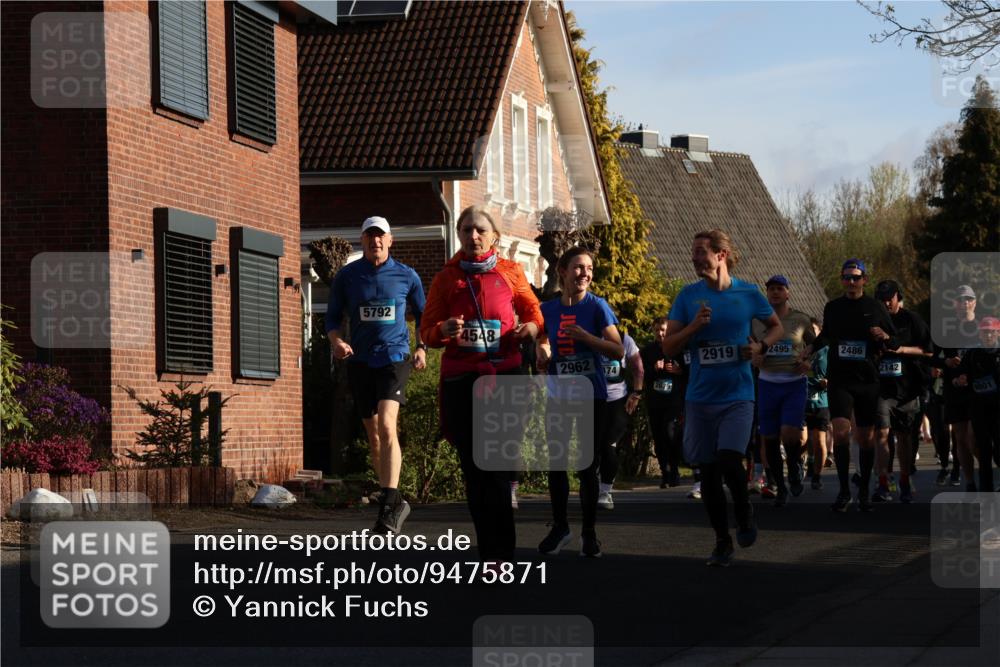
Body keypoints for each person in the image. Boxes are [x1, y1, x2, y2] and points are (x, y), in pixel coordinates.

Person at [420, 205, 542, 564]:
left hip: (504, 375)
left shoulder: (511, 271)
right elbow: (427, 330)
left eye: (480, 230)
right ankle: (487, 551)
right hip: (462, 379)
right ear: (459, 235)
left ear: (494, 237)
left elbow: (534, 312)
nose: (473, 236)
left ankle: (502, 554)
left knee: (499, 470)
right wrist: (441, 331)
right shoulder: (447, 278)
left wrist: (531, 329)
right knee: (474, 471)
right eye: (466, 230)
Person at [662, 229, 783, 567]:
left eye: (700, 251)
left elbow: (776, 327)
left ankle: (744, 514)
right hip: (700, 399)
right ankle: (721, 540)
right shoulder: (688, 297)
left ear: (721, 255)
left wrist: (760, 346)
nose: (694, 258)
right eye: (693, 252)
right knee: (709, 471)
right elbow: (668, 346)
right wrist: (693, 329)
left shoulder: (748, 293)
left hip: (738, 394)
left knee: (730, 460)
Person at [326, 216, 427, 534]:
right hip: (360, 362)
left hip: (394, 359)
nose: (375, 242)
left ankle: (389, 500)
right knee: (374, 436)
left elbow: (424, 315)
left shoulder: (407, 276)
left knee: (387, 425)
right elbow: (331, 318)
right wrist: (338, 341)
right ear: (363, 242)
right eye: (370, 237)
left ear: (390, 240)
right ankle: (393, 502)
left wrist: (421, 347)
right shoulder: (348, 276)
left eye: (380, 236)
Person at [536, 246, 623, 558]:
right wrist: (541, 350)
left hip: (591, 396)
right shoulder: (548, 310)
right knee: (556, 463)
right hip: (559, 394)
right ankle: (561, 527)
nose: (584, 273)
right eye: (578, 267)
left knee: (586, 466)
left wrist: (588, 338)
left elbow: (617, 350)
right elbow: (540, 338)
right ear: (563, 271)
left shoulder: (597, 307)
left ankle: (589, 532)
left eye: (588, 268)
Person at [811, 259, 899, 513]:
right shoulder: (833, 307)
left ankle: (863, 492)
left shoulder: (875, 307)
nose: (851, 282)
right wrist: (809, 348)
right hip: (840, 378)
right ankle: (843, 491)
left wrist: (884, 337)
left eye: (856, 278)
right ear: (842, 280)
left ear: (864, 280)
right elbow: (825, 335)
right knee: (839, 433)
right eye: (847, 278)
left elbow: (894, 340)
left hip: (867, 380)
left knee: (866, 438)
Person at [751, 275, 815, 507]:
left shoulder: (800, 319)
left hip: (793, 382)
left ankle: (796, 463)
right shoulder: (758, 321)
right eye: (771, 289)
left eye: (780, 289)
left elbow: (815, 344)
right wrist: (754, 358)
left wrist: (809, 362)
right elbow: (750, 346)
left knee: (789, 432)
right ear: (766, 293)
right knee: (769, 438)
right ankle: (780, 486)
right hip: (767, 383)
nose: (775, 293)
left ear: (788, 293)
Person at [872, 280, 932, 503]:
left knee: (904, 437)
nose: (886, 302)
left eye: (890, 297)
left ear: (898, 297)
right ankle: (883, 482)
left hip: (908, 388)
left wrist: (900, 349)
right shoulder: (874, 322)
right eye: (882, 298)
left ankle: (905, 479)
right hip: (883, 389)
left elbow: (928, 352)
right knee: (882, 434)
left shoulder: (912, 320)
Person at [929, 285, 981, 491]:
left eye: (968, 299)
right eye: (960, 300)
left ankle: (986, 468)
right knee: (960, 438)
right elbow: (931, 357)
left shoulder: (981, 327)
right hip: (954, 390)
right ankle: (969, 482)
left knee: (974, 437)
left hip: (978, 391)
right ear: (955, 304)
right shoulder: (946, 330)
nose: (964, 303)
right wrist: (946, 363)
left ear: (975, 302)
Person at [641, 317, 688, 489]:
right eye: (657, 330)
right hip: (655, 401)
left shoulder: (679, 349)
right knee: (659, 437)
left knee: (671, 433)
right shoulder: (647, 351)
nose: (660, 334)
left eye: (664, 330)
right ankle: (665, 472)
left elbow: (690, 373)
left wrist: (679, 370)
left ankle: (674, 468)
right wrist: (654, 369)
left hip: (674, 401)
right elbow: (641, 376)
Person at [598, 332, 644, 509]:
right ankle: (594, 484)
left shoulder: (624, 339)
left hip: (617, 399)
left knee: (609, 444)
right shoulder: (588, 335)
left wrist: (637, 392)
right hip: (592, 399)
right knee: (593, 447)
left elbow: (638, 367)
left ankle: (605, 491)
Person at [955, 316, 1000, 492]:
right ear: (980, 334)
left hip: (998, 407)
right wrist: (960, 379)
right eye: (984, 332)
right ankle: (986, 489)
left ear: (997, 333)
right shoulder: (973, 354)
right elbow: (959, 375)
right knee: (983, 449)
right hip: (979, 407)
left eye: (991, 332)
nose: (988, 335)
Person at [804, 317, 831, 490]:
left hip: (821, 401)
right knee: (803, 439)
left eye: (814, 329)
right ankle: (806, 462)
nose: (811, 333)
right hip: (802, 400)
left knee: (819, 440)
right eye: (809, 330)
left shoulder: (828, 350)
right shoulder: (801, 350)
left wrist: (829, 381)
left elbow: (837, 371)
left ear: (820, 332)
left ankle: (817, 475)